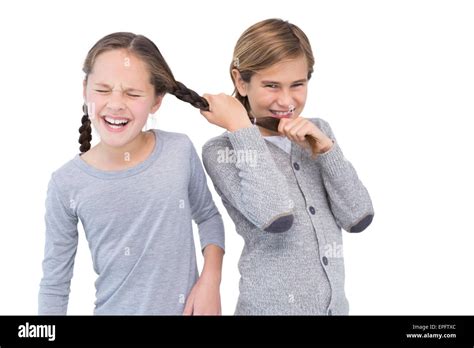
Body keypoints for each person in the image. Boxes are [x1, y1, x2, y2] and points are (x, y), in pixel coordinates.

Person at [38, 32, 225, 315]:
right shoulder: (66, 183)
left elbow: (208, 216)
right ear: (85, 89)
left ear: (156, 100)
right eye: (102, 89)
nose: (115, 104)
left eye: (133, 93)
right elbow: (55, 284)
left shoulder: (178, 150)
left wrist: (210, 281)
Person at [200, 19, 374, 315]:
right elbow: (275, 214)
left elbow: (358, 216)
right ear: (241, 81)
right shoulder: (223, 151)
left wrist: (327, 151)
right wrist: (241, 128)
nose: (286, 100)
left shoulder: (318, 131)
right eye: (271, 86)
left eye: (297, 85)